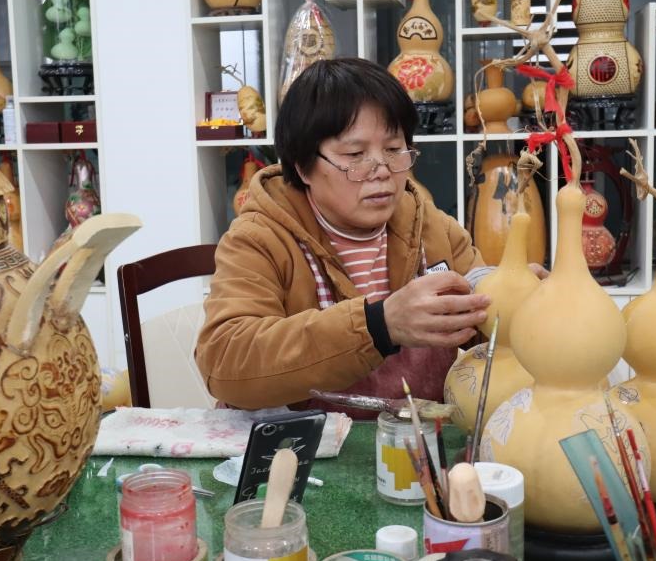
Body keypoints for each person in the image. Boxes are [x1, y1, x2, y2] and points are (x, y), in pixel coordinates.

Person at [195, 58, 493, 416]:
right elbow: (225, 361)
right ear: (304, 167)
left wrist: (513, 299)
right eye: (355, 155)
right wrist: (379, 325)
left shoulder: (430, 226)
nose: (381, 171)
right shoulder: (259, 239)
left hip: (413, 438)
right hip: (299, 444)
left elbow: (483, 319)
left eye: (394, 150)